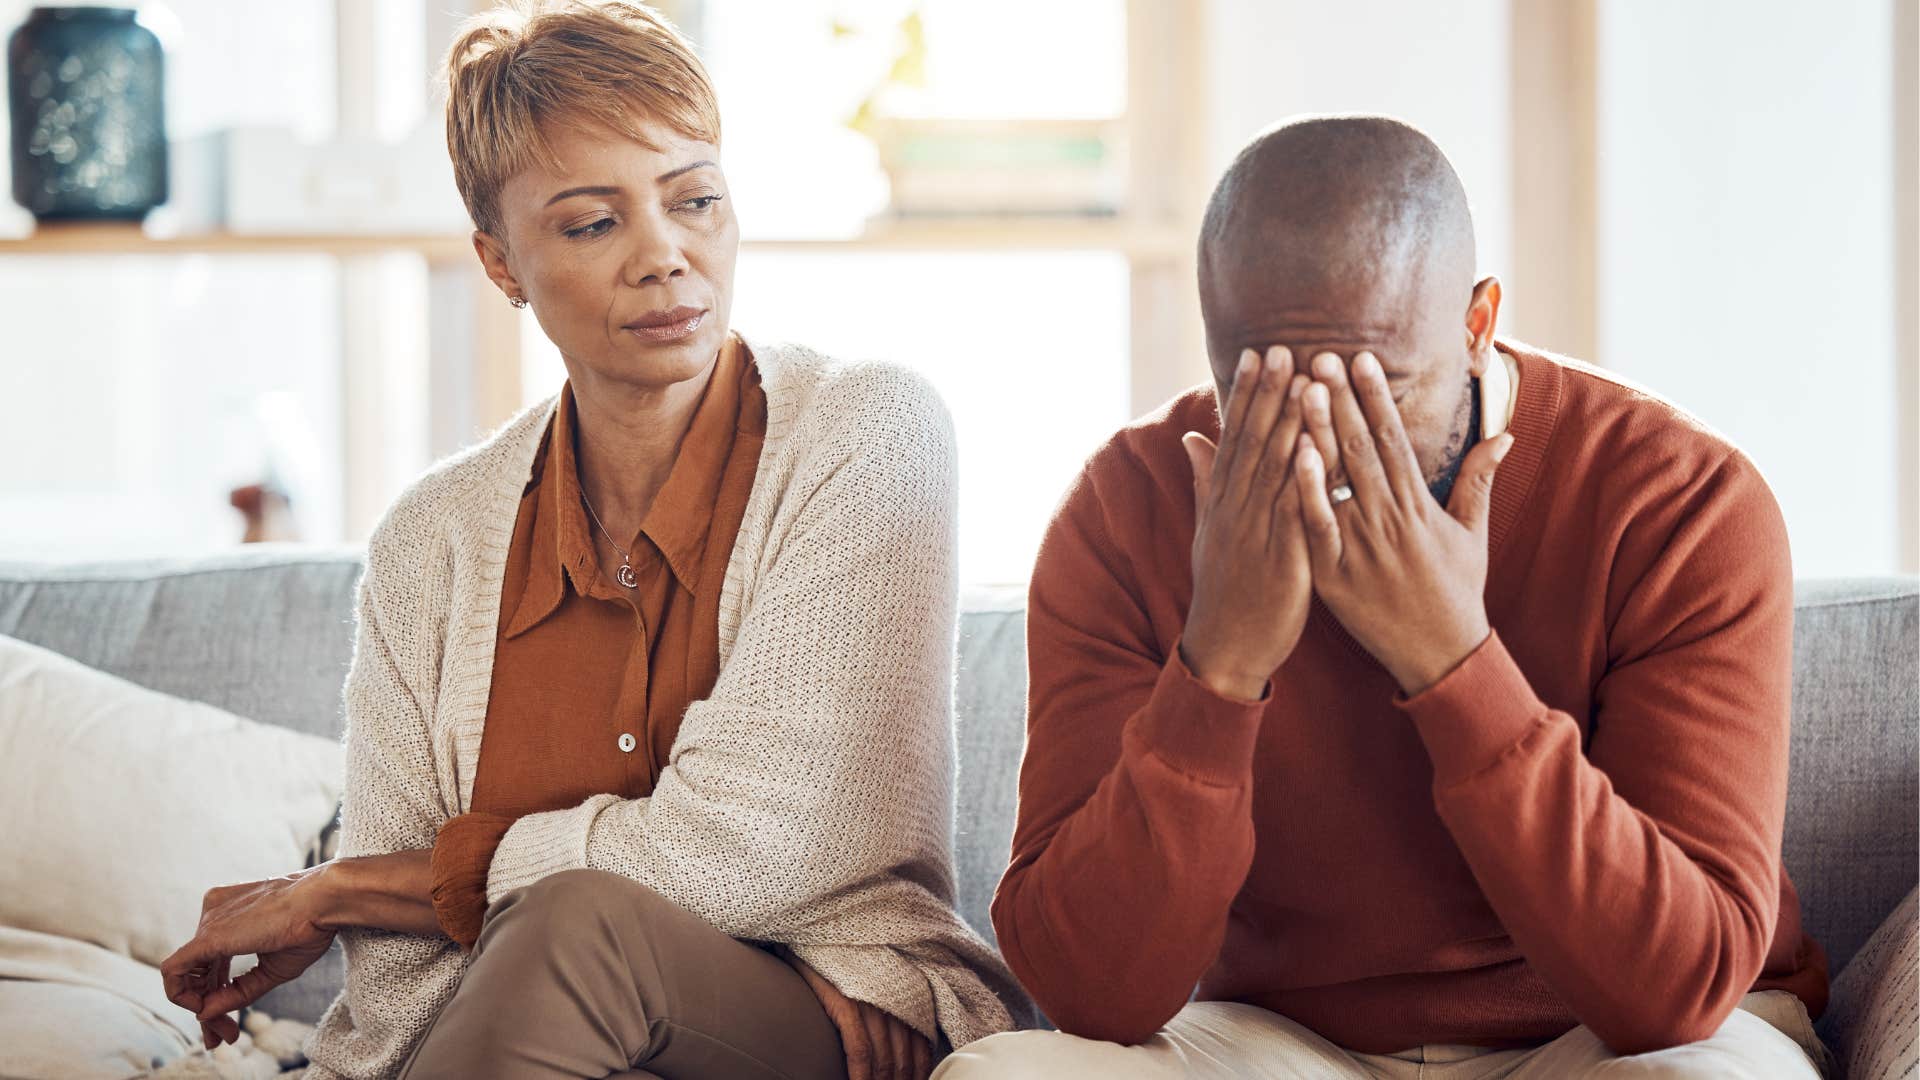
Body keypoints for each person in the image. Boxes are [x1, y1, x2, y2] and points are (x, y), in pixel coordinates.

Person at [158, 3, 1027, 1078]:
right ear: (500, 263)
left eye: (695, 200)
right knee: (560, 940)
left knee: (578, 925)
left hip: (813, 1032)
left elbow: (741, 854)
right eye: (590, 224)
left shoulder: (869, 433)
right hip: (523, 1052)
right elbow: (397, 979)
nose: (665, 257)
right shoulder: (430, 542)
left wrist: (342, 889)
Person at [939, 115, 1831, 1078]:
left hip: (1625, 1038)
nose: (1323, 443)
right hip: (1281, 1042)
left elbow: (1673, 989)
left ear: (1477, 325)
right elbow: (1089, 991)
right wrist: (1219, 666)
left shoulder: (1679, 498)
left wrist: (1451, 659)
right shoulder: (1126, 508)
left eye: (1377, 391)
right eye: (1264, 390)